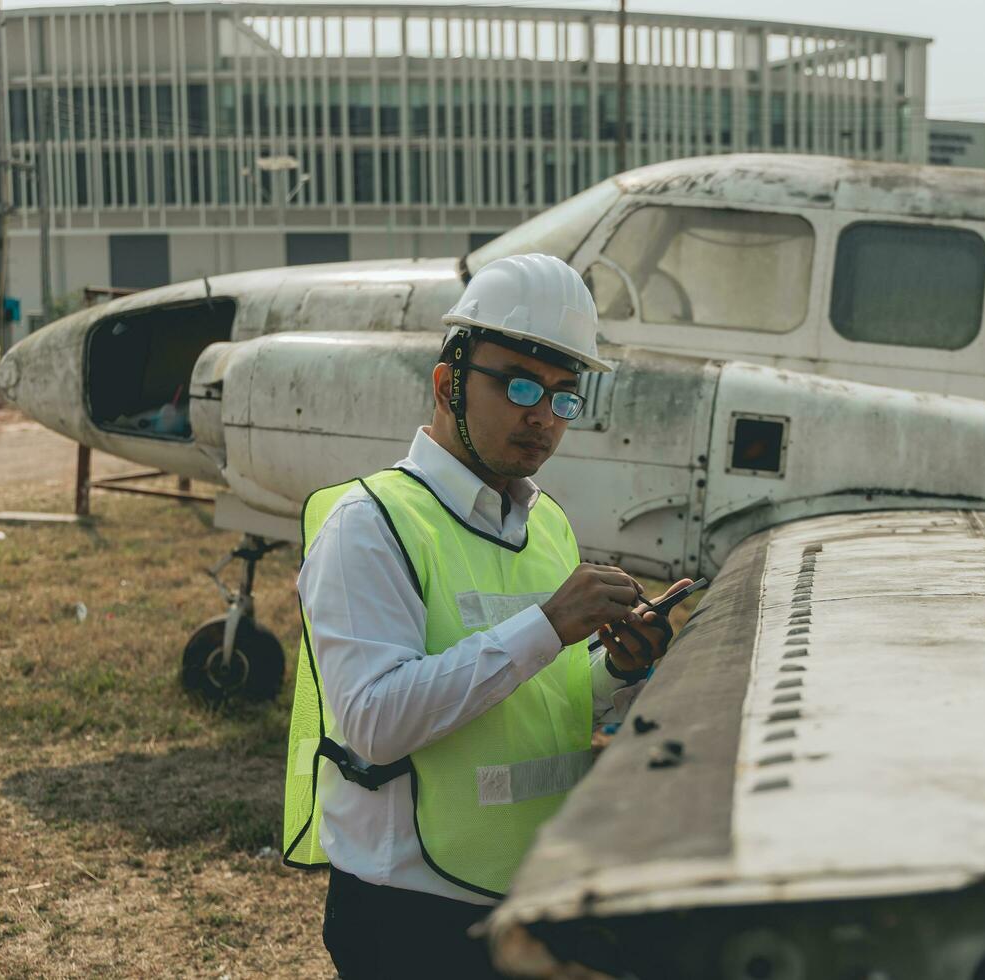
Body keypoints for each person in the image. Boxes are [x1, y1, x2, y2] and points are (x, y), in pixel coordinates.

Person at [281, 253, 691, 978]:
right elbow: (375, 723)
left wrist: (617, 667)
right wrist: (548, 625)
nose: (543, 416)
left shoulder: (549, 525)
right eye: (520, 385)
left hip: (532, 891)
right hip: (412, 915)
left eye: (566, 395)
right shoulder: (370, 524)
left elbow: (541, 696)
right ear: (448, 384)